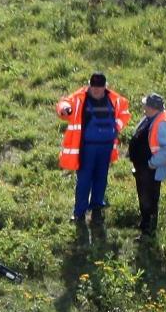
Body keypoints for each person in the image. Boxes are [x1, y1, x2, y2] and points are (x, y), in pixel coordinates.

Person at [55, 73, 130, 224]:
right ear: (89, 85)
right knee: (84, 181)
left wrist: (116, 128)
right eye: (93, 86)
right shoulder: (80, 97)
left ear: (105, 87)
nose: (95, 90)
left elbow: (124, 114)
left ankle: (97, 209)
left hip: (106, 148)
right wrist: (65, 109)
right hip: (87, 148)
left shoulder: (114, 99)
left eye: (99, 87)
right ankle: (79, 213)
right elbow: (64, 104)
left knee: (101, 179)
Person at [127, 92, 166, 236]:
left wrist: (152, 163)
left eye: (145, 105)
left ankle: (149, 232)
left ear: (152, 107)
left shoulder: (161, 124)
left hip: (151, 170)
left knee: (149, 200)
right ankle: (145, 225)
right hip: (144, 168)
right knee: (145, 198)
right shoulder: (151, 117)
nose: (143, 107)